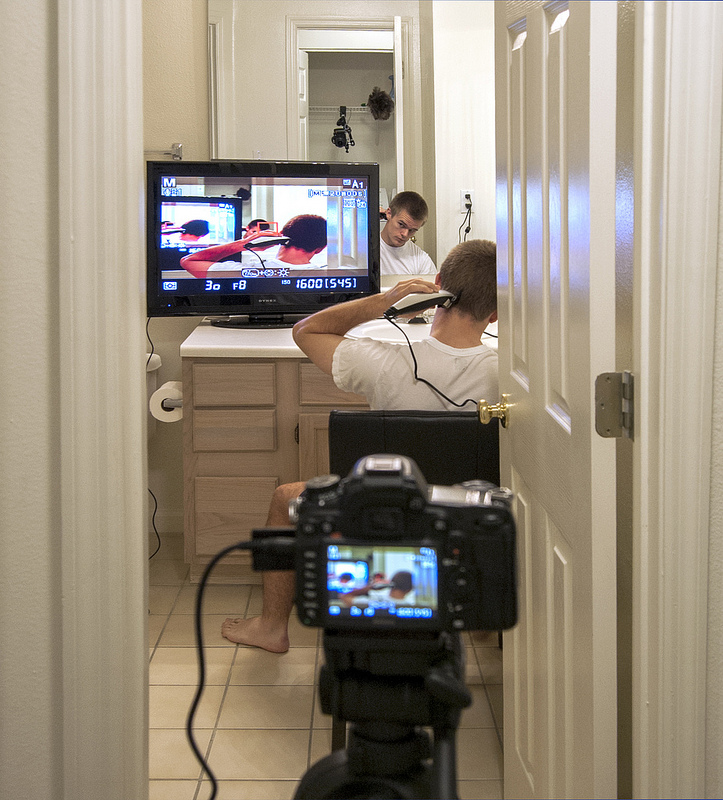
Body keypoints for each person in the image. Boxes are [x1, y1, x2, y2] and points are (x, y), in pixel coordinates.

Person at [221, 238, 498, 652]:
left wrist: (386, 301)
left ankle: (271, 627)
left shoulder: (382, 361)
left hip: (380, 510)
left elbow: (305, 330)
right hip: (464, 514)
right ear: (496, 312)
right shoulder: (510, 373)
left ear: (438, 285)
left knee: (285, 499)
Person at [179, 213, 327, 278]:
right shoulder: (326, 278)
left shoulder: (245, 272)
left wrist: (244, 243)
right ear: (320, 249)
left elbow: (188, 261)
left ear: (281, 234)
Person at [380, 191, 436, 276]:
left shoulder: (422, 261)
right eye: (401, 225)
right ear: (389, 213)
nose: (405, 234)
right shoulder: (364, 249)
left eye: (412, 230)